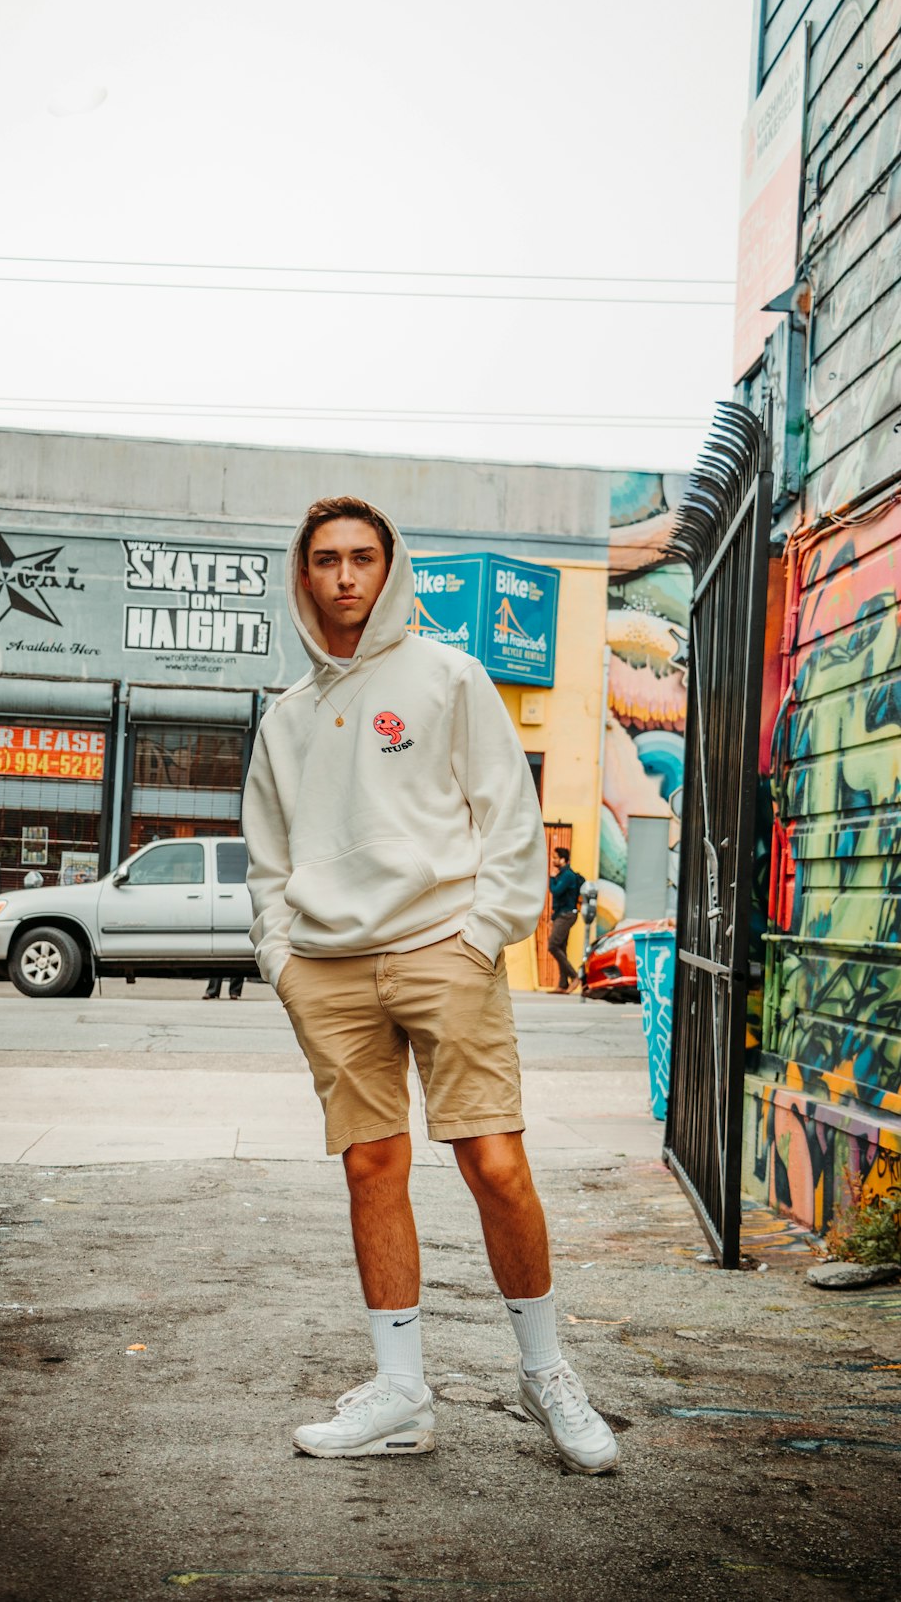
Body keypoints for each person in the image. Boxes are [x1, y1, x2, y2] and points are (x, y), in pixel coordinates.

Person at [242, 495, 618, 1473]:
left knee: (494, 1162)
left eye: (363, 557)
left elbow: (511, 818)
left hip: (440, 951)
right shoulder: (284, 719)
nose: (345, 577)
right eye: (326, 560)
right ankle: (401, 1396)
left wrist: (480, 936)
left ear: (390, 566)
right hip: (326, 968)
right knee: (374, 1168)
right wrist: (282, 962)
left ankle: (546, 1375)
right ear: (304, 573)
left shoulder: (448, 677)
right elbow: (267, 862)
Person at [547, 847, 585, 994]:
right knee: (560, 948)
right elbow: (558, 900)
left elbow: (556, 891)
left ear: (563, 859)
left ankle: (575, 976)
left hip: (567, 915)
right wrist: (552, 918)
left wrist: (551, 878)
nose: (553, 860)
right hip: (561, 914)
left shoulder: (567, 875)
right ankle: (563, 984)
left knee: (553, 946)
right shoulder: (563, 875)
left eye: (556, 857)